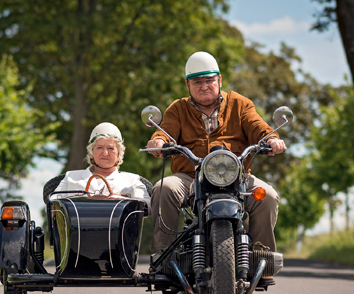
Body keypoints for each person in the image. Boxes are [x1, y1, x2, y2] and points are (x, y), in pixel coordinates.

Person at [146, 51, 286, 252]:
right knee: (163, 188)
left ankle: (261, 256)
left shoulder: (240, 104)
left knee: (268, 196)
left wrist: (271, 138)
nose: (204, 86)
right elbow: (165, 131)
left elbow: (257, 125)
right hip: (191, 177)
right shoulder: (178, 108)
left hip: (236, 177)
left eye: (209, 80)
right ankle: (164, 256)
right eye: (197, 82)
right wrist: (158, 141)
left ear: (219, 80)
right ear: (188, 85)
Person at [53, 122, 151, 208]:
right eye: (99, 147)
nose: (105, 153)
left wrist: (121, 201)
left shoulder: (132, 181)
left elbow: (148, 206)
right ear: (91, 152)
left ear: (119, 154)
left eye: (110, 148)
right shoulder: (71, 177)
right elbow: (52, 205)